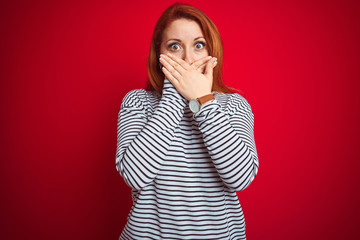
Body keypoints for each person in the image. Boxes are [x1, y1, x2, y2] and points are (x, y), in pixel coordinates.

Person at [115, 3, 259, 240]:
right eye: (174, 47)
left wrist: (202, 99)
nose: (187, 58)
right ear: (159, 54)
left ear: (211, 52)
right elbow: (134, 175)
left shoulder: (234, 105)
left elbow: (240, 177)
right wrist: (174, 96)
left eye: (198, 45)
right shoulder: (137, 102)